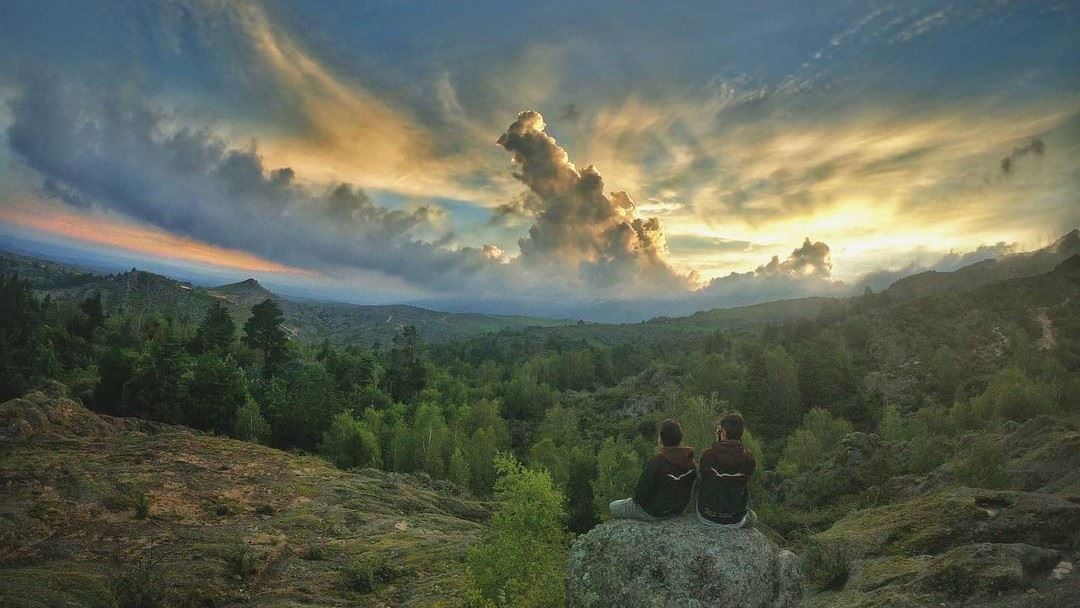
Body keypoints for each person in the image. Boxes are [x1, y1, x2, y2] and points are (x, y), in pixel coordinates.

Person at [609, 419, 697, 520]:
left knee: (613, 506)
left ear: (661, 439)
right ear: (680, 439)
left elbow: (639, 496)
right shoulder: (691, 463)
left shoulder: (656, 462)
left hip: (653, 512)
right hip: (676, 510)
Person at [696, 412, 757, 528]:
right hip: (735, 520)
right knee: (753, 516)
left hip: (707, 516)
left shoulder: (707, 455)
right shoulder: (749, 458)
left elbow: (703, 480)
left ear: (722, 433)